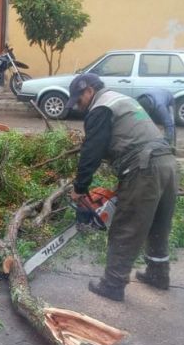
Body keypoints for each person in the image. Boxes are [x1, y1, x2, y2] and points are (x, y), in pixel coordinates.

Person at [66, 73, 177, 301]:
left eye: (79, 99)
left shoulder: (101, 108)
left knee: (126, 226)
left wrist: (80, 188)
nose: (78, 105)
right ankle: (158, 274)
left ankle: (113, 284)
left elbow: (92, 151)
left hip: (143, 167)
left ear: (89, 91)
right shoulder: (121, 99)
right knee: (158, 223)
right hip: (166, 163)